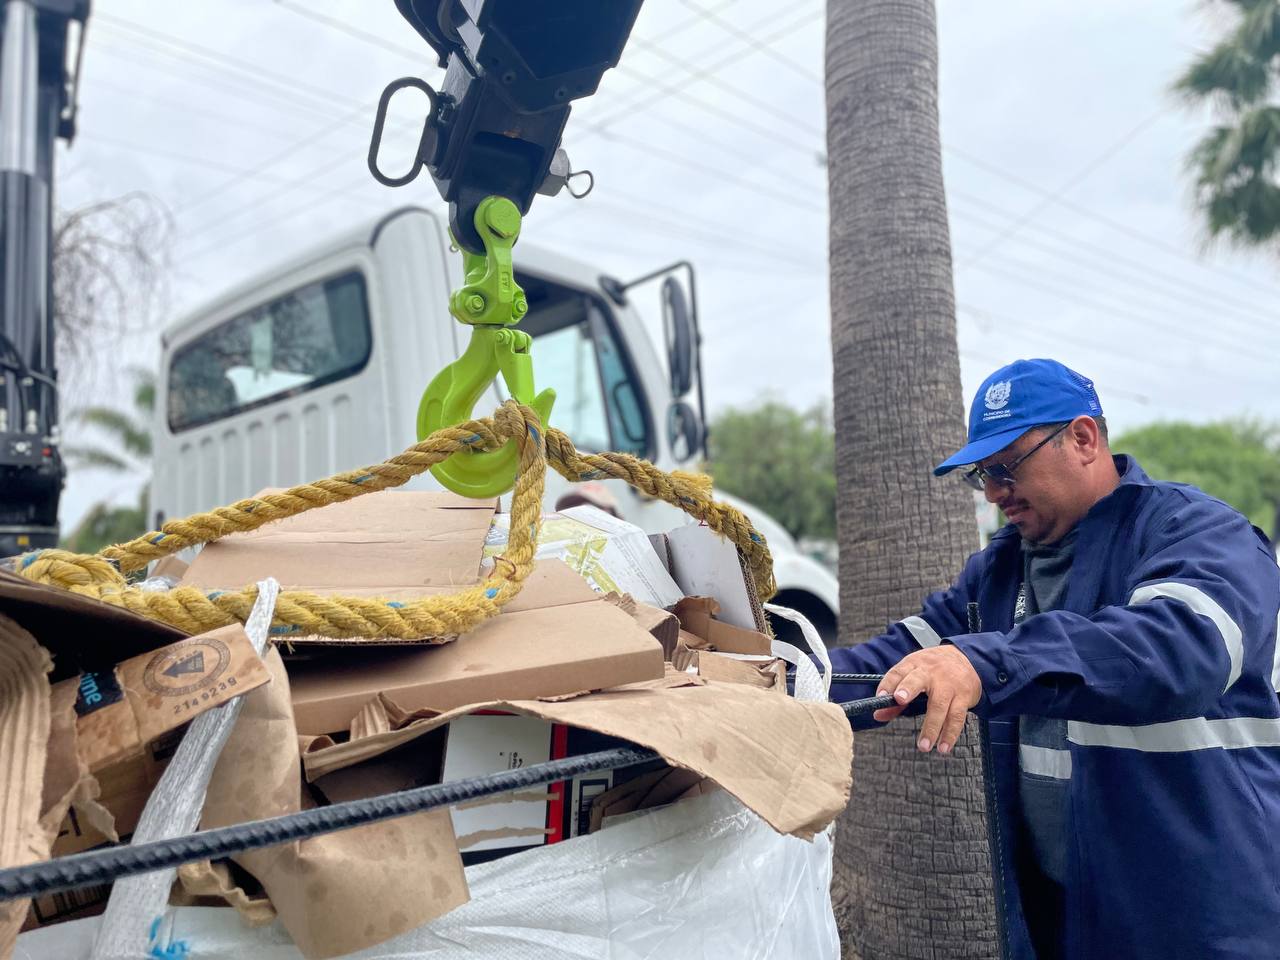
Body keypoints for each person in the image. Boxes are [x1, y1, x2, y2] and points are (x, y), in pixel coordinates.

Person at [828, 358, 1280, 960]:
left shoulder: (1195, 532)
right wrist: (772, 679)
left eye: (1005, 467)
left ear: (1083, 439)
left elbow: (1179, 648)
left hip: (1199, 916)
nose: (992, 493)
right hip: (1064, 914)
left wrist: (984, 662)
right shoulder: (1000, 570)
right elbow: (899, 659)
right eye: (980, 475)